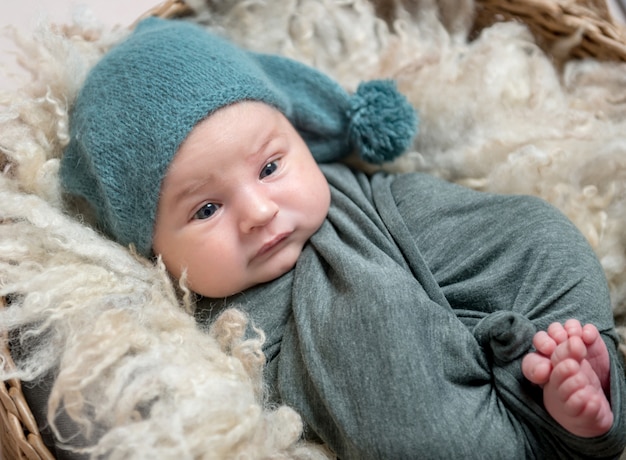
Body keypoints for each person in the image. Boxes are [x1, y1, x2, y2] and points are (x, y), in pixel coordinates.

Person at [57, 17, 626, 459]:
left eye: (271, 167)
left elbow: (481, 228)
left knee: (539, 236)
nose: (259, 211)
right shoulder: (205, 332)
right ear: (148, 247)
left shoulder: (358, 189)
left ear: (300, 138)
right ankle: (547, 429)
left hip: (412, 243)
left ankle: (585, 385)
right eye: (206, 208)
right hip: (417, 390)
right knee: (406, 411)